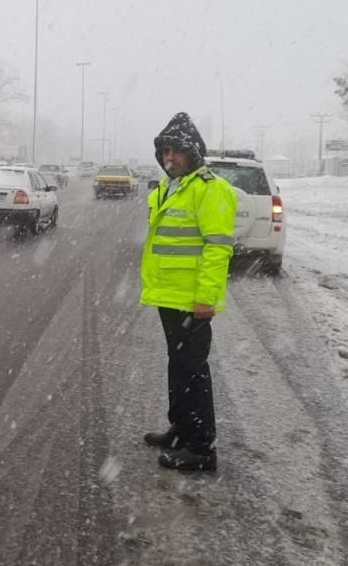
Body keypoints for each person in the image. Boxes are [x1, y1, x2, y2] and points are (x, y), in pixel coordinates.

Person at [140, 112, 237, 472]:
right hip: (170, 296)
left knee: (193, 371)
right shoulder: (170, 187)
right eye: (165, 151)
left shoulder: (210, 190)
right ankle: (180, 429)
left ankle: (201, 447)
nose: (169, 158)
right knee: (179, 367)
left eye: (177, 151)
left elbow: (217, 248)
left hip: (192, 300)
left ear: (193, 152)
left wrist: (206, 298)